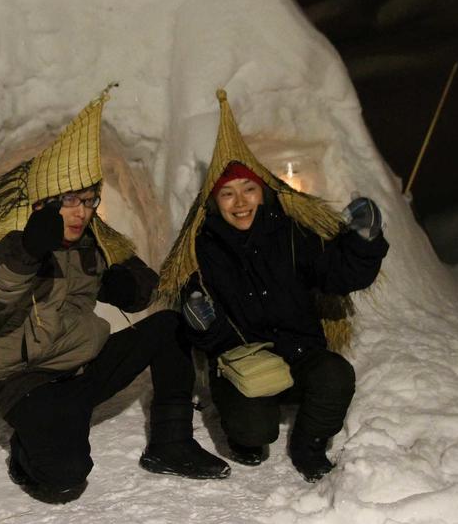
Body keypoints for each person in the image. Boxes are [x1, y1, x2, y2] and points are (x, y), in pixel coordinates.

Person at [0, 85, 229, 503]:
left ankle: (171, 443)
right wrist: (30, 248)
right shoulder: (11, 246)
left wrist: (129, 283)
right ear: (42, 204)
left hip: (83, 368)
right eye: (69, 200)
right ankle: (27, 450)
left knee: (168, 327)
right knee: (64, 481)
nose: (81, 211)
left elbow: (142, 292)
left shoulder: (92, 242)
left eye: (88, 201)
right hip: (27, 381)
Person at [157, 90, 388, 482]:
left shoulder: (292, 235)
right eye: (227, 194)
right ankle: (247, 433)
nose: (240, 202)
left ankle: (308, 445)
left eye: (248, 189)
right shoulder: (202, 251)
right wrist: (203, 323)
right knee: (254, 432)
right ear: (215, 202)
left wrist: (361, 243)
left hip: (300, 352)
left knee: (335, 375)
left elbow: (342, 276)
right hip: (243, 363)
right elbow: (203, 331)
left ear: (262, 192)